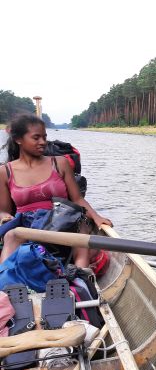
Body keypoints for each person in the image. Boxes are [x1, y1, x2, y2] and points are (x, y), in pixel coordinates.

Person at [0, 113, 112, 267]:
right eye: (36, 137)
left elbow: (77, 200)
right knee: (11, 236)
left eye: (44, 137)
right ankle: (5, 282)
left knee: (81, 230)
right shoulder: (5, 172)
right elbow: (4, 210)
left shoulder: (60, 163)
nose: (43, 142)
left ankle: (81, 277)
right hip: (28, 227)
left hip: (62, 221)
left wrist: (97, 217)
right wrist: (5, 217)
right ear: (18, 139)